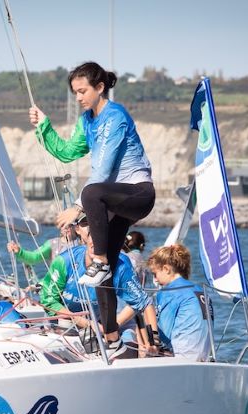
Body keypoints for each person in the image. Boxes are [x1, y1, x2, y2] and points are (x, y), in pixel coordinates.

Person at [29, 61, 155, 350]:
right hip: (111, 199)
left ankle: (98, 258)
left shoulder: (116, 116)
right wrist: (44, 126)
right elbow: (66, 151)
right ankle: (112, 339)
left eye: (82, 91)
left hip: (137, 194)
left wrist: (77, 207)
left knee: (92, 194)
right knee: (104, 276)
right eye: (74, 92)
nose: (78, 97)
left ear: (100, 88)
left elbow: (105, 171)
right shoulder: (86, 120)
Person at [40, 213, 157, 358]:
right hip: (61, 326)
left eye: (102, 240)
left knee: (125, 352)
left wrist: (153, 341)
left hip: (98, 328)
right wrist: (86, 323)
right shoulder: (65, 261)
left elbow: (143, 302)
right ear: (84, 238)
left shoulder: (120, 265)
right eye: (93, 238)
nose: (97, 244)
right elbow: (47, 299)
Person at [147, 244, 211, 361]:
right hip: (204, 357)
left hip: (182, 358)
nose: (155, 279)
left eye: (154, 274)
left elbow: (164, 334)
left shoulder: (169, 291)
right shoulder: (201, 291)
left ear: (166, 269)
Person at [6, 224, 78, 266]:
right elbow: (35, 257)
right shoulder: (53, 244)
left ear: (76, 227)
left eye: (70, 225)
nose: (67, 228)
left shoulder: (83, 243)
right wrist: (19, 251)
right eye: (63, 225)